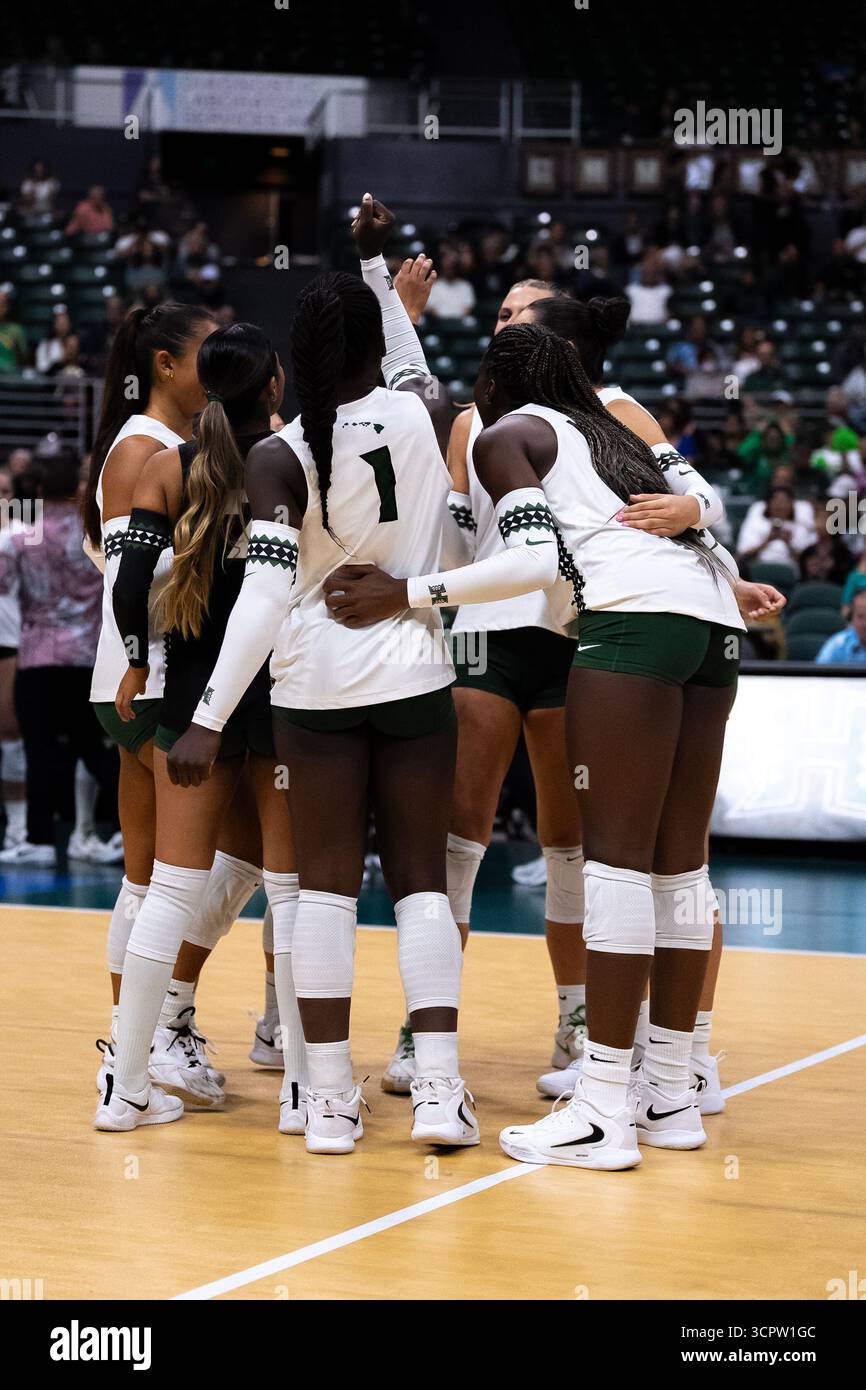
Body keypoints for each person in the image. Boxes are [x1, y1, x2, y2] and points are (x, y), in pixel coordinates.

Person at [327, 321, 752, 1171]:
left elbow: (529, 562)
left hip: (632, 629)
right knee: (679, 867)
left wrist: (408, 593)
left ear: (495, 383)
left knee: (616, 867)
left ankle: (601, 1105)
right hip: (714, 625)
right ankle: (668, 1090)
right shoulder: (613, 429)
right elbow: (700, 516)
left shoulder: (510, 433)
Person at [168, 194, 478, 1156]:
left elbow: (261, 601)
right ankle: (436, 1094)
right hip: (418, 672)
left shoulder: (278, 453)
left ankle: (331, 1100)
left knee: (328, 893)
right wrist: (378, 268)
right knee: (422, 885)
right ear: (374, 347)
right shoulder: (426, 413)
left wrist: (211, 718)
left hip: (312, 693)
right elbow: (413, 363)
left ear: (295, 359)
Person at [96, 323, 299, 1133]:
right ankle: (306, 1096)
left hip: (189, 708)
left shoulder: (168, 467)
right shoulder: (291, 463)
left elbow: (129, 579)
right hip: (281, 698)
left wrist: (140, 662)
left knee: (168, 893)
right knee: (292, 891)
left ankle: (125, 1085)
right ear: (274, 389)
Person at [0, 451, 117, 867]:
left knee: (40, 749)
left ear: (34, 489)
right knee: (93, 746)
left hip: (38, 655)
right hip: (87, 653)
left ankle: (40, 839)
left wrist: (19, 508)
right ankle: (123, 828)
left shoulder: (25, 536)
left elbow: (4, 582)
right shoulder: (94, 533)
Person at [736, 486, 814, 574]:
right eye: (776, 501)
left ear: (792, 504)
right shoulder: (756, 523)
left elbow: (806, 562)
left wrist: (788, 543)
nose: (780, 505)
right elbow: (742, 555)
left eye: (784, 501)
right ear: (768, 504)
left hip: (791, 573)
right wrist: (767, 541)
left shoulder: (800, 527)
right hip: (758, 571)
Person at [425, 245, 476, 319]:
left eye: (452, 265)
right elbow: (431, 309)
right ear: (442, 264)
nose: (449, 267)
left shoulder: (465, 286)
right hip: (438, 324)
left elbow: (468, 309)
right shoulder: (433, 285)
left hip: (460, 324)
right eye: (447, 263)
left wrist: (455, 322)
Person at [815, 590, 866, 664]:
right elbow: (818, 673)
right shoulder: (838, 644)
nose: (865, 623)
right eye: (860, 616)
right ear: (851, 618)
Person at [35, 307, 74, 375]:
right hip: (52, 382)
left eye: (65, 321)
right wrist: (61, 362)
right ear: (53, 324)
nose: (62, 325)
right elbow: (42, 368)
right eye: (59, 322)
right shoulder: (46, 344)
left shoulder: (75, 342)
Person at [0, 291, 27, 375]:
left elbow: (23, 357)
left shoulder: (16, 330)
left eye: (3, 304)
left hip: (10, 377)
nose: (0, 307)